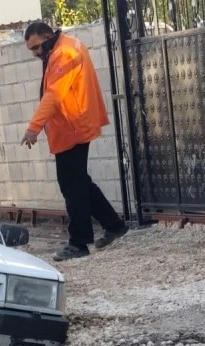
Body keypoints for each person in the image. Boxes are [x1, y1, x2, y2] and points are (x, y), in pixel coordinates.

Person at [20, 22, 128, 262]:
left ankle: (79, 242)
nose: (36, 53)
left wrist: (34, 127)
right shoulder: (64, 47)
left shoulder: (64, 52)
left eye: (37, 47)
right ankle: (114, 224)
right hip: (72, 125)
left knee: (71, 185)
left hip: (72, 126)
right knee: (79, 181)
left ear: (48, 37)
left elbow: (54, 95)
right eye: (32, 50)